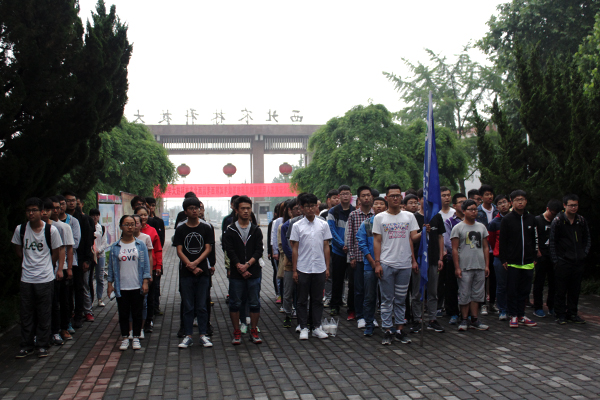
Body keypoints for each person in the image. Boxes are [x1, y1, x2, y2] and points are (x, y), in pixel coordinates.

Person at [12, 198, 63, 358]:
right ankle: (26, 345)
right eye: (28, 210)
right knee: (26, 313)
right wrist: (28, 263)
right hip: (26, 278)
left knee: (44, 313)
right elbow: (18, 250)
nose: (31, 213)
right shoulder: (20, 229)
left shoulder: (51, 231)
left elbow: (56, 252)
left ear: (42, 212)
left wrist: (48, 266)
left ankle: (42, 344)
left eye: (34, 210)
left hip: (45, 278)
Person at [373, 185, 419, 345]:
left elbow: (413, 238)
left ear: (401, 197)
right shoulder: (380, 218)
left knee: (401, 299)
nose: (395, 198)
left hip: (404, 265)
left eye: (398, 195)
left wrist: (424, 232)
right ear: (386, 198)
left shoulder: (409, 217)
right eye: (392, 196)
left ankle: (399, 329)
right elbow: (377, 241)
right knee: (387, 300)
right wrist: (377, 263)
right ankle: (387, 330)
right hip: (386, 263)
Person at [173, 197, 215, 348]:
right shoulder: (181, 229)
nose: (194, 211)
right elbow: (179, 250)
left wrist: (196, 263)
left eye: (196, 208)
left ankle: (203, 335)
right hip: (186, 273)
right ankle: (188, 335)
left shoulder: (206, 228)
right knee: (188, 306)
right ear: (185, 211)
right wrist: (190, 266)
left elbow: (208, 248)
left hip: (203, 272)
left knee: (202, 305)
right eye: (191, 208)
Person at [290, 193, 332, 340]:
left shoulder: (323, 224)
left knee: (317, 299)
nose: (310, 209)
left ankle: (316, 327)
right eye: (307, 206)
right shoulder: (297, 226)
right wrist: (294, 270)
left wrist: (327, 267)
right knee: (302, 300)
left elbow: (326, 246)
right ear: (301, 208)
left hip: (319, 267)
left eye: (313, 206)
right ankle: (303, 327)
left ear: (316, 207)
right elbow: (295, 248)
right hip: (303, 267)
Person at [224, 196, 264, 345]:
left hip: (253, 272)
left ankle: (253, 330)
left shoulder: (256, 230)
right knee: (235, 303)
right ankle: (237, 331)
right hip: (236, 274)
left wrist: (247, 265)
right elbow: (229, 250)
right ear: (236, 210)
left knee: (254, 303)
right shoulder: (230, 230)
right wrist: (239, 266)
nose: (246, 211)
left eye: (248, 208)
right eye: (243, 208)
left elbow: (259, 250)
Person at [107, 216, 151, 351]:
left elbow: (146, 265)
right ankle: (125, 337)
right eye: (127, 224)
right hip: (122, 286)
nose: (130, 227)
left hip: (137, 285)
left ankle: (136, 337)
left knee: (137, 312)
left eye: (132, 224)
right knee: (123, 314)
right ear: (121, 226)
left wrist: (145, 281)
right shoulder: (115, 247)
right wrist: (110, 284)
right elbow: (111, 268)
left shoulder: (140, 245)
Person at [549, 194, 591, 325]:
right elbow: (552, 242)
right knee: (560, 289)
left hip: (578, 260)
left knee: (575, 289)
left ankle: (572, 313)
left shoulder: (581, 220)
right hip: (563, 261)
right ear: (564, 205)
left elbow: (587, 239)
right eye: (571, 205)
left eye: (575, 205)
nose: (573, 208)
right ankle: (560, 314)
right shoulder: (558, 221)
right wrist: (556, 260)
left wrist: (584, 253)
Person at [499, 190, 538, 328]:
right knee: (512, 290)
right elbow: (503, 241)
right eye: (517, 200)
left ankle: (522, 315)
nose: (520, 202)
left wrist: (534, 257)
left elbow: (535, 239)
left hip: (528, 262)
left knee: (525, 290)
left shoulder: (531, 219)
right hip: (513, 262)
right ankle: (513, 315)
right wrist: (504, 259)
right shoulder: (507, 219)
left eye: (522, 199)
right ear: (511, 202)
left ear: (526, 201)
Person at [451, 199, 490, 331]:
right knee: (464, 293)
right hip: (465, 266)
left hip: (479, 265)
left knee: (477, 294)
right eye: (471, 209)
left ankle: (474, 318)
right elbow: (454, 249)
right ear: (464, 211)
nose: (474, 212)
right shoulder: (458, 228)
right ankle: (464, 318)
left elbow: (485, 247)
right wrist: (457, 267)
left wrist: (486, 265)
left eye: (475, 209)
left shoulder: (481, 227)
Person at [410, 194, 446, 334]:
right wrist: (413, 260)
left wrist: (440, 258)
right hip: (419, 260)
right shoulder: (413, 217)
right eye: (425, 198)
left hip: (433, 259)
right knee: (417, 292)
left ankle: (432, 319)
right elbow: (411, 240)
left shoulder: (437, 216)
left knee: (433, 291)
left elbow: (440, 237)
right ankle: (417, 319)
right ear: (419, 200)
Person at [41, 199, 70, 346]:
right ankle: (41, 334)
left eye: (49, 209)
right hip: (37, 274)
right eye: (44, 210)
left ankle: (58, 330)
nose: (46, 212)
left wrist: (62, 268)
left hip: (55, 270)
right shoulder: (29, 228)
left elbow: (63, 249)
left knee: (58, 302)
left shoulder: (57, 228)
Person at [357, 196, 387, 336]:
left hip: (387, 264)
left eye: (382, 204)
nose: (379, 206)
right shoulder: (367, 224)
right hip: (370, 266)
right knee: (369, 296)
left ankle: (387, 325)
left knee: (387, 297)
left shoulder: (389, 223)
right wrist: (372, 261)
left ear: (386, 207)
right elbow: (362, 243)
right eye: (376, 204)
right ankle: (369, 324)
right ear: (372, 207)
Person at [63, 191, 93, 328]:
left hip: (79, 258)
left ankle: (79, 314)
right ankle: (68, 315)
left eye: (73, 200)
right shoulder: (60, 219)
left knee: (79, 287)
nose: (71, 203)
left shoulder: (82, 218)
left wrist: (87, 259)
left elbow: (88, 240)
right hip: (64, 259)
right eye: (68, 200)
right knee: (67, 289)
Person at [346, 186, 374, 327]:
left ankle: (371, 316)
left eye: (368, 195)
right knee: (359, 289)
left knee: (372, 289)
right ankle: (360, 316)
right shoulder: (353, 215)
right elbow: (350, 237)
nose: (366, 198)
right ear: (359, 199)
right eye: (363, 196)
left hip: (374, 258)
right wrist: (351, 256)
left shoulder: (377, 215)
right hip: (358, 257)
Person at [327, 185, 355, 318]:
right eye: (343, 194)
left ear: (351, 196)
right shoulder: (333, 212)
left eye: (347, 193)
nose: (345, 196)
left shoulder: (355, 211)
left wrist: (350, 245)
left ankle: (351, 307)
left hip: (352, 252)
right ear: (339, 196)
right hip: (338, 251)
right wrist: (342, 244)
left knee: (353, 281)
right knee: (337, 280)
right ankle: (335, 305)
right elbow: (331, 230)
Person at [50, 197, 75, 341]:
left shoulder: (64, 227)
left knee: (64, 300)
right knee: (52, 302)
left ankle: (65, 327)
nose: (55, 210)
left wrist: (69, 268)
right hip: (48, 270)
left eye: (57, 207)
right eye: (51, 208)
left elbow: (69, 248)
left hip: (63, 267)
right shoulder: (44, 227)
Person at [533, 199, 562, 318]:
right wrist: (537, 251)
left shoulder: (558, 221)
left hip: (553, 256)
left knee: (553, 282)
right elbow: (533, 237)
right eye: (552, 213)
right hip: (541, 255)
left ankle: (551, 306)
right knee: (539, 282)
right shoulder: (537, 220)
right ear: (547, 209)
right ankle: (538, 307)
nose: (554, 216)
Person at [135, 206, 163, 333]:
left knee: (150, 295)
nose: (143, 217)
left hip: (150, 267)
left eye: (145, 214)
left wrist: (158, 266)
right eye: (140, 215)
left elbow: (157, 250)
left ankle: (149, 320)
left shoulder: (152, 231)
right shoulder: (131, 231)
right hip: (135, 269)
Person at [486, 194, 512, 320]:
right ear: (497, 207)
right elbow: (491, 241)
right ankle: (502, 310)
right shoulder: (494, 223)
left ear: (509, 203)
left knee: (513, 285)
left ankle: (513, 309)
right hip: (499, 258)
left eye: (505, 202)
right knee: (501, 285)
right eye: (500, 203)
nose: (503, 205)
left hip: (514, 257)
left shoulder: (516, 219)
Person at [443, 193, 467, 325]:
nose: (464, 205)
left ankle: (469, 314)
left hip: (469, 260)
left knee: (468, 287)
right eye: (461, 202)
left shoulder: (473, 221)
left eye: (465, 202)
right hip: (453, 259)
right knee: (452, 287)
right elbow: (448, 242)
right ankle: (453, 313)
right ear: (454, 205)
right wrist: (461, 251)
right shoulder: (449, 222)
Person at [476, 185, 499, 316]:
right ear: (481, 197)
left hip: (495, 250)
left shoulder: (497, 210)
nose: (489, 197)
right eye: (486, 194)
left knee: (494, 278)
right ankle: (483, 303)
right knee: (483, 277)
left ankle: (492, 303)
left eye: (491, 194)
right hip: (482, 249)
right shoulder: (478, 211)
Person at [145, 197, 165, 315]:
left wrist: (158, 262)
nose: (151, 208)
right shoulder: (136, 225)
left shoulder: (158, 222)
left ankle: (155, 307)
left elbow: (160, 242)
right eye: (149, 206)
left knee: (155, 285)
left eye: (152, 205)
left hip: (155, 259)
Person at [89, 208, 109, 307]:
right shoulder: (87, 227)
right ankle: (90, 300)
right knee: (89, 278)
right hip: (90, 256)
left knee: (100, 278)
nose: (95, 217)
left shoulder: (102, 228)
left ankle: (100, 298)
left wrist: (98, 251)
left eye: (97, 215)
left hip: (100, 256)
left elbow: (104, 243)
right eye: (93, 215)